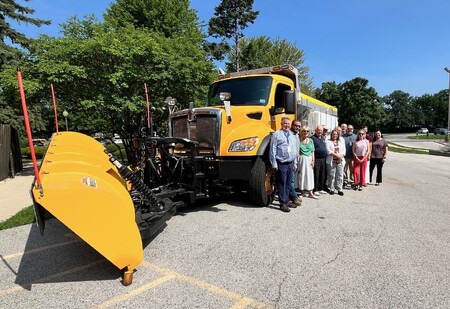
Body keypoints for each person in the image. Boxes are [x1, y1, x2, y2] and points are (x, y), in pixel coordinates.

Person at [269, 116, 299, 212]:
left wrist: (294, 162)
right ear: (281, 124)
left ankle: (286, 200)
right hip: (281, 163)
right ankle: (283, 204)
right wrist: (274, 164)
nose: (287, 125)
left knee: (288, 183)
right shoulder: (276, 135)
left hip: (290, 163)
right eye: (285, 123)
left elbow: (294, 149)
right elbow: (272, 150)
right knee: (282, 183)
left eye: (288, 124)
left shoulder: (291, 135)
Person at [297, 126, 318, 199]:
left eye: (307, 131)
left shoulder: (311, 140)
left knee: (309, 176)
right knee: (302, 175)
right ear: (301, 132)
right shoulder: (299, 140)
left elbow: (312, 152)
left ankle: (310, 192)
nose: (306, 132)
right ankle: (302, 192)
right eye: (304, 131)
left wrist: (313, 161)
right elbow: (297, 151)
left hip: (309, 159)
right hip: (301, 159)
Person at [326, 129, 346, 195]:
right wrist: (336, 155)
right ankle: (331, 189)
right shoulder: (328, 141)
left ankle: (339, 189)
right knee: (331, 175)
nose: (335, 135)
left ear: (338, 135)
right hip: (331, 160)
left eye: (336, 134)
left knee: (340, 175)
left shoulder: (341, 142)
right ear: (331, 135)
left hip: (340, 160)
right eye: (333, 134)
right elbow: (328, 150)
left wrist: (340, 156)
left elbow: (344, 150)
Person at [288, 119, 302, 206]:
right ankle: (294, 197)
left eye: (299, 126)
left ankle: (291, 197)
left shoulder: (297, 135)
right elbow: (290, 150)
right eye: (296, 125)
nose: (297, 127)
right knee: (291, 181)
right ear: (292, 125)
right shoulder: (289, 135)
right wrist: (293, 162)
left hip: (297, 161)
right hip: (292, 161)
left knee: (293, 180)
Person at [311, 125, 328, 195]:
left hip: (323, 159)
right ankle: (315, 189)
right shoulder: (312, 138)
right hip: (317, 158)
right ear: (315, 130)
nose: (320, 132)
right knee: (316, 174)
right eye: (318, 130)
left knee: (322, 173)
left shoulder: (322, 138)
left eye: (321, 130)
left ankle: (321, 188)